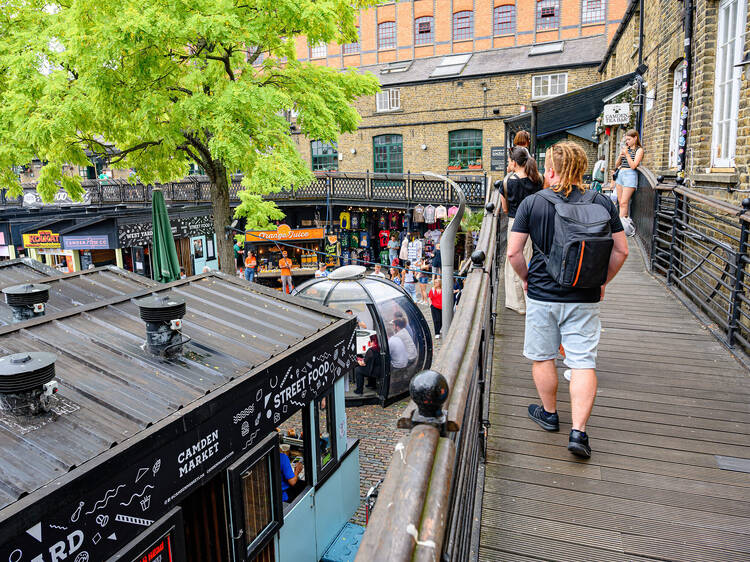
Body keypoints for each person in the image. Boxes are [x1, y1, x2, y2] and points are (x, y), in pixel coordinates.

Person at [507, 141, 629, 459]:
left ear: (550, 170)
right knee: (582, 362)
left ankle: (549, 414)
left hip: (543, 295)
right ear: (581, 168)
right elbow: (622, 251)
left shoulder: (533, 204)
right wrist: (602, 281)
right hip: (584, 295)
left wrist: (525, 278)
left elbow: (513, 252)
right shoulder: (602, 202)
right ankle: (579, 432)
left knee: (543, 356)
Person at [502, 146, 543, 315]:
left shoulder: (508, 182)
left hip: (515, 224)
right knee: (530, 259)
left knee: (514, 262)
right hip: (535, 223)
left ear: (513, 162)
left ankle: (519, 304)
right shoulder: (538, 179)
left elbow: (505, 209)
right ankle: (531, 298)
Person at [613, 129, 644, 236]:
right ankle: (624, 226)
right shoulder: (626, 149)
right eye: (626, 140)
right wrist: (620, 155)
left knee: (624, 203)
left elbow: (634, 165)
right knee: (620, 202)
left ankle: (620, 229)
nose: (627, 142)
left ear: (635, 138)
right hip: (620, 175)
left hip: (630, 175)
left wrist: (626, 154)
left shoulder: (639, 150)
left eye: (629, 139)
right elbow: (616, 165)